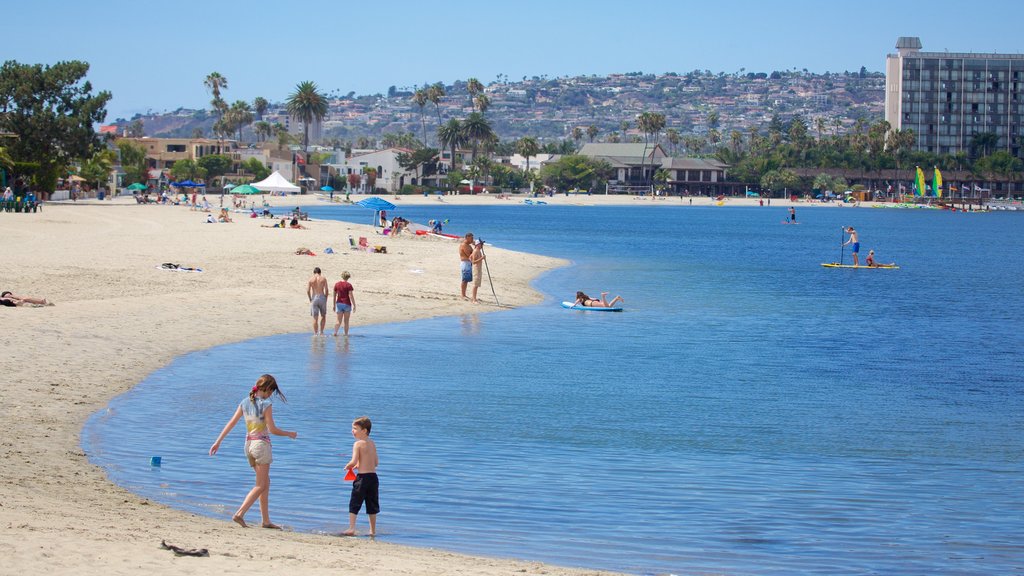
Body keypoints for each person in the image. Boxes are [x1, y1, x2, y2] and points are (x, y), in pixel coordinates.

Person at [208, 374, 297, 529]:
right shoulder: (266, 404)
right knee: (261, 485)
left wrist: (218, 442)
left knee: (264, 483)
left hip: (248, 445)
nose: (271, 395)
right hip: (261, 446)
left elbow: (231, 423)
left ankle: (266, 521)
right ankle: (240, 513)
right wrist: (289, 433)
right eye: (271, 392)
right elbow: (272, 429)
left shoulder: (245, 402)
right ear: (267, 389)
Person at [342, 416, 380, 537]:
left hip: (362, 478)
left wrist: (349, 466)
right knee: (372, 504)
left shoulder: (357, 444)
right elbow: (375, 463)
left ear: (364, 430)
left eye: (355, 428)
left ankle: (352, 528)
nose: (352, 431)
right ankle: (372, 531)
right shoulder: (372, 443)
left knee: (355, 502)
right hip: (373, 478)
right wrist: (360, 464)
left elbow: (353, 461)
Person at [332, 271, 356, 336]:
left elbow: (334, 295)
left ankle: (335, 332)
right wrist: (354, 305)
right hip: (347, 304)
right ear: (348, 277)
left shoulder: (337, 284)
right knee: (346, 321)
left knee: (338, 321)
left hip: (339, 303)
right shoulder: (349, 285)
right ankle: (346, 334)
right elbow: (351, 295)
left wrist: (334, 305)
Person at [307, 267, 329, 335]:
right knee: (323, 316)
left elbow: (308, 291)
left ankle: (315, 333)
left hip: (314, 297)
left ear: (314, 273)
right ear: (320, 272)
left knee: (315, 317)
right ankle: (321, 332)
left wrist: (310, 298)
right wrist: (326, 297)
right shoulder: (323, 278)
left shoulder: (311, 279)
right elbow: (327, 290)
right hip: (322, 297)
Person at [459, 233, 474, 299]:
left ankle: (464, 294)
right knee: (464, 279)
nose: (472, 240)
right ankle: (462, 294)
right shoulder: (464, 245)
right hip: (465, 263)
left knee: (467, 279)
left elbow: (473, 253)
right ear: (467, 237)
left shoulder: (469, 245)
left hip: (468, 263)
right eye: (471, 238)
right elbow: (470, 255)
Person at [470, 239, 486, 304]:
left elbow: (470, 257)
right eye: (481, 244)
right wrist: (482, 258)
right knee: (475, 284)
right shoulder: (476, 251)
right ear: (478, 245)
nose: (482, 245)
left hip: (479, 269)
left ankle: (474, 297)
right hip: (476, 269)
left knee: (477, 284)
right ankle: (474, 299)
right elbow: (474, 262)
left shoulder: (478, 251)